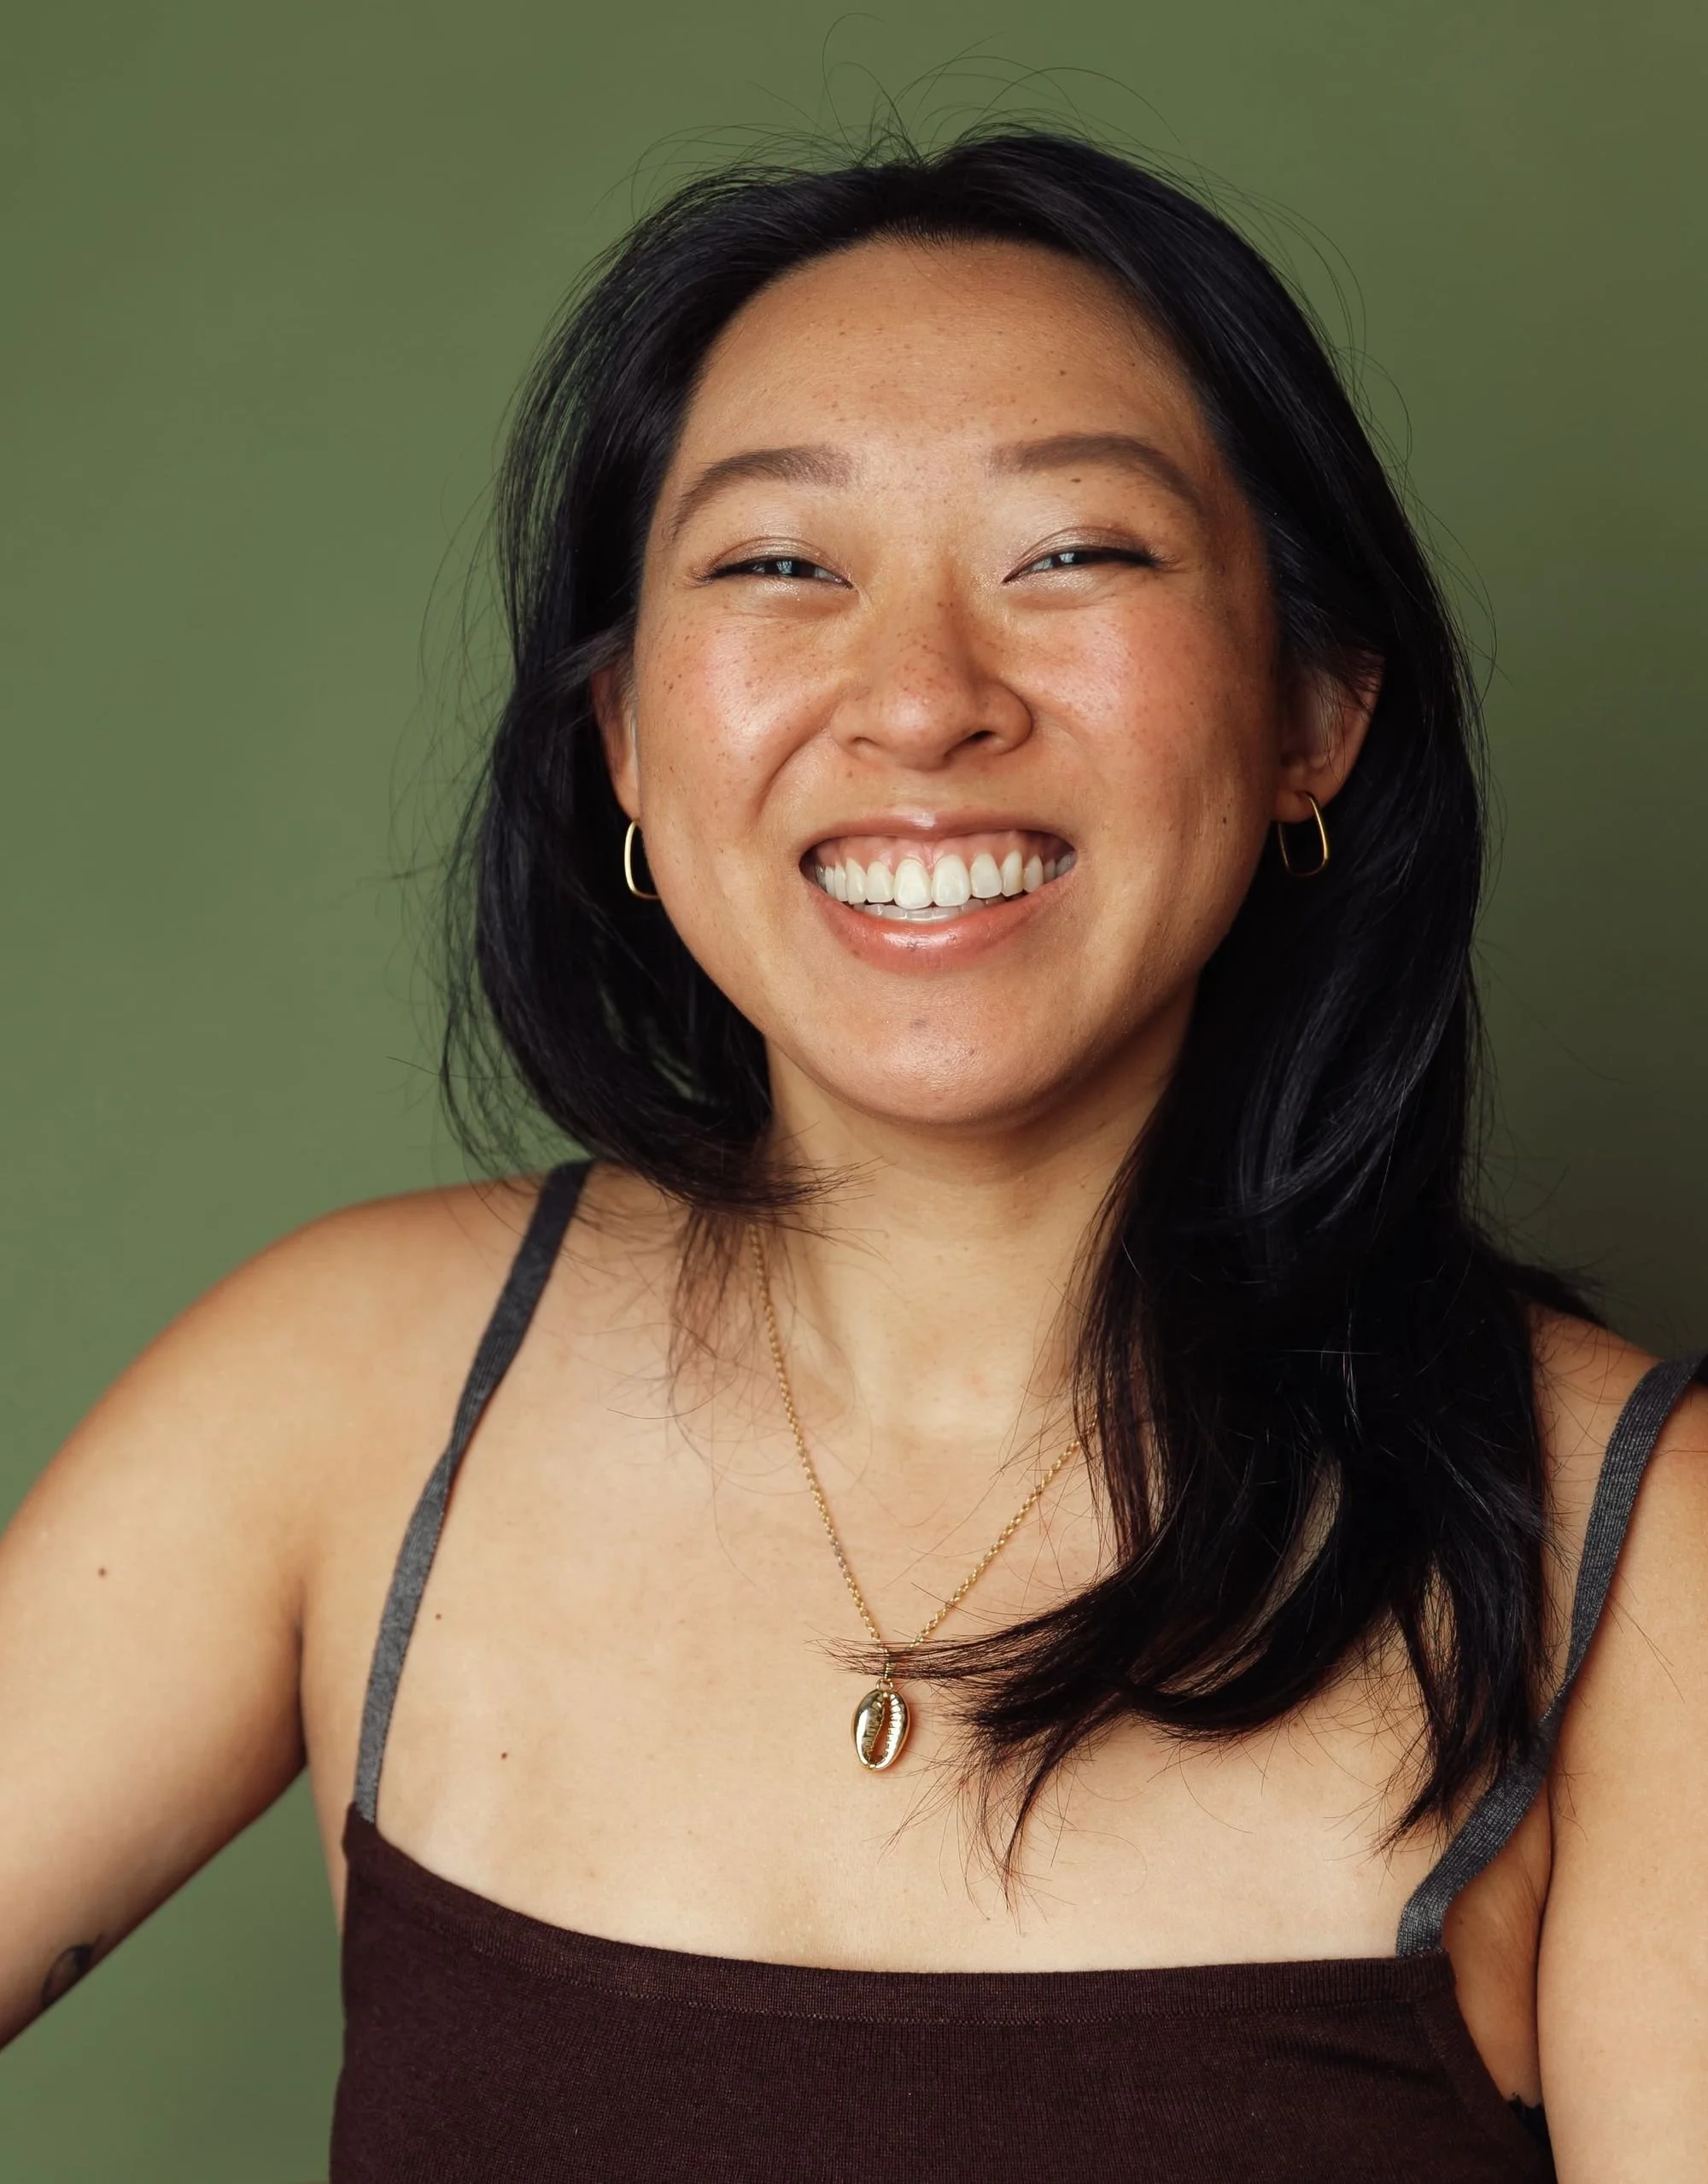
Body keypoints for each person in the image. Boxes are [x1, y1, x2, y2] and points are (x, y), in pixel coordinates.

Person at [1, 127, 1702, 2182]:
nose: (916, 701)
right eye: (776, 564)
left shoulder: (1629, 1557)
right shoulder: (342, 1391)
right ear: (624, 734)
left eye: (1075, 553)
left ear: (1312, 713)